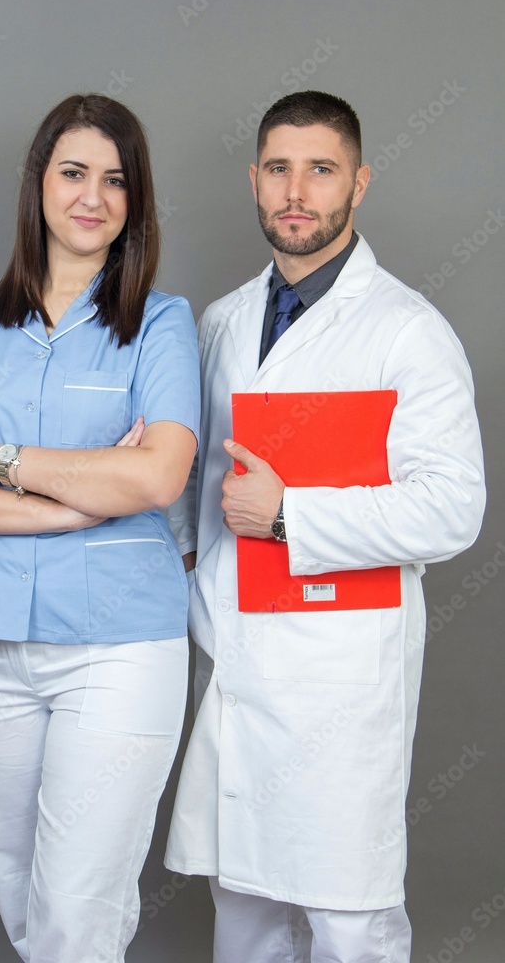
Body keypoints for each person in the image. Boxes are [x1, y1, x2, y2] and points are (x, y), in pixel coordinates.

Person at [164, 90, 485, 963]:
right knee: (245, 908)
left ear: (359, 183)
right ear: (253, 181)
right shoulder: (221, 321)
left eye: (320, 169)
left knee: (349, 917)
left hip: (339, 680)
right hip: (234, 661)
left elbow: (452, 506)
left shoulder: (407, 330)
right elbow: (192, 488)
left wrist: (288, 515)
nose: (296, 191)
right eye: (278, 169)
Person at [0, 94, 200, 963]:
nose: (92, 197)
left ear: (135, 199)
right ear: (38, 184)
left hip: (118, 648)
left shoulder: (160, 323)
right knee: (27, 907)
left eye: (115, 180)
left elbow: (156, 475)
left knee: (76, 911)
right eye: (73, 173)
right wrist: (72, 503)